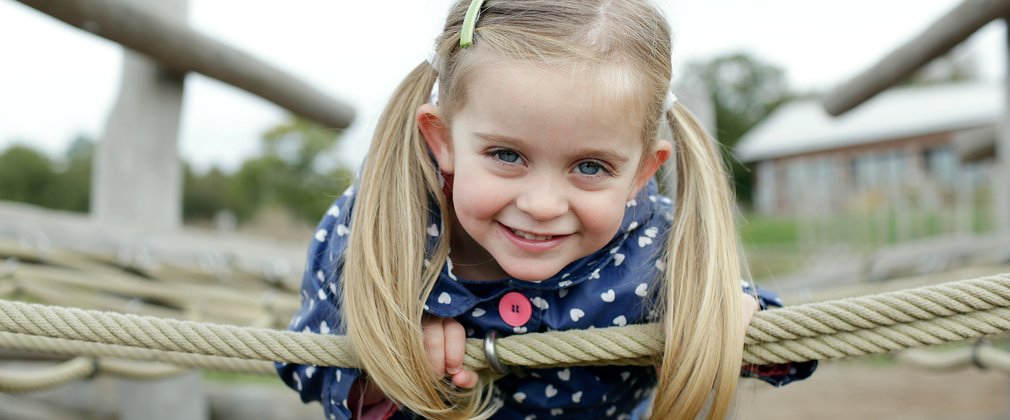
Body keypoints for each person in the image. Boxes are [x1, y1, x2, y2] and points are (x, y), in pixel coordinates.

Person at [277, 0, 815, 418]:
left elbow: (790, 352)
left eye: (590, 168)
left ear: (641, 174)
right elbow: (305, 361)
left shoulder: (657, 250)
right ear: (442, 140)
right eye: (506, 155)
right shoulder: (379, 227)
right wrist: (390, 373)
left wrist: (729, 322)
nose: (541, 205)